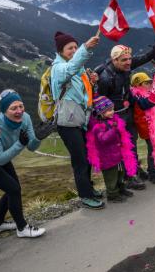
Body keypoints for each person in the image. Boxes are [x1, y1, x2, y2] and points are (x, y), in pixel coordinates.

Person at [0, 90, 52, 239]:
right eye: (14, 108)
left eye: (21, 106)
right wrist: (20, 143)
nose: (19, 111)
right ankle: (22, 228)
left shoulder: (25, 118)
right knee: (13, 189)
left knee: (13, 189)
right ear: (4, 111)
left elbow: (31, 147)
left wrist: (38, 138)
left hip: (0, 156)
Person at [95, 37, 155, 187]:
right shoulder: (105, 78)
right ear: (114, 60)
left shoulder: (125, 67)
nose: (128, 62)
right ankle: (129, 177)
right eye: (124, 60)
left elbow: (144, 58)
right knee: (124, 146)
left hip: (128, 111)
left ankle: (134, 170)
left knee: (131, 144)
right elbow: (100, 101)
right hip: (115, 116)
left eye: (129, 59)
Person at [50, 31, 105, 209]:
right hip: (67, 123)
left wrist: (92, 82)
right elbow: (70, 69)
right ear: (60, 51)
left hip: (80, 120)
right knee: (80, 160)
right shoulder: (58, 69)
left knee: (87, 156)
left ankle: (88, 188)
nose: (73, 50)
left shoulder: (78, 69)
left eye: (75, 47)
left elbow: (82, 94)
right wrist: (85, 48)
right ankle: (85, 195)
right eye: (69, 48)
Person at [86, 96, 138, 203]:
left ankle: (121, 189)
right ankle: (112, 194)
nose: (112, 112)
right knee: (111, 177)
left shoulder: (113, 120)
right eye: (109, 110)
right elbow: (103, 139)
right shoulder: (98, 127)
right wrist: (114, 130)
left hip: (118, 155)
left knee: (120, 174)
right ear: (100, 113)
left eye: (112, 109)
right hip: (108, 159)